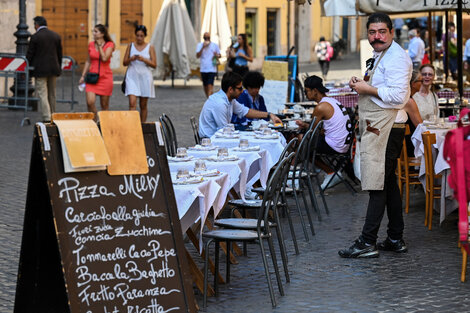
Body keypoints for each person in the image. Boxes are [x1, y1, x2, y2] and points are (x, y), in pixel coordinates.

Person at [340, 12, 413, 258]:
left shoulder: (397, 58)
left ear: (392, 32)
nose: (377, 36)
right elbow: (382, 87)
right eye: (372, 32)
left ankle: (367, 241)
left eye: (382, 31)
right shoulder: (381, 54)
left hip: (389, 128)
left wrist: (367, 88)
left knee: (376, 183)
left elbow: (399, 97)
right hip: (381, 126)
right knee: (388, 182)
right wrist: (362, 82)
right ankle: (395, 237)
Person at [295, 75, 352, 189]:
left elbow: (312, 132)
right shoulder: (331, 101)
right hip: (345, 144)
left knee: (303, 146)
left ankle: (330, 173)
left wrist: (305, 128)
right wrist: (306, 125)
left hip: (337, 145)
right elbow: (320, 129)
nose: (306, 95)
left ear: (315, 91)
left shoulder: (320, 107)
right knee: (306, 143)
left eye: (307, 92)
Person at [198, 72, 281, 138]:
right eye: (240, 88)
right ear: (230, 89)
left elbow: (245, 111)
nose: (242, 91)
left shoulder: (230, 100)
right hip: (211, 140)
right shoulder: (219, 103)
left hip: (221, 135)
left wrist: (270, 115)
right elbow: (225, 131)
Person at [26, 16, 62, 122]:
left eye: (34, 24)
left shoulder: (35, 37)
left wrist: (27, 69)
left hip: (40, 70)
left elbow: (30, 54)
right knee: (52, 93)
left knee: (43, 94)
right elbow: (60, 55)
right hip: (54, 69)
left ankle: (46, 117)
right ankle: (53, 114)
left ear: (37, 25)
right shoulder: (56, 36)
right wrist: (59, 68)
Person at [79, 24, 115, 121]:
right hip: (92, 77)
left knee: (104, 106)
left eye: (96, 31)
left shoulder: (109, 45)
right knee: (90, 102)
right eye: (93, 31)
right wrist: (83, 75)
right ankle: (95, 122)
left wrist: (99, 45)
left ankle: (104, 125)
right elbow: (88, 60)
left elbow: (104, 58)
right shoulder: (91, 44)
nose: (93, 33)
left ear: (102, 34)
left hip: (105, 77)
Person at [123, 25, 156, 122]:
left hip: (145, 77)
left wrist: (144, 59)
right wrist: (131, 59)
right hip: (132, 76)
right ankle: (132, 125)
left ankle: (142, 126)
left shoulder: (150, 47)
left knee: (143, 105)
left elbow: (154, 64)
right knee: (132, 103)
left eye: (141, 36)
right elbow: (124, 62)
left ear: (145, 36)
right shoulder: (130, 46)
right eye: (137, 35)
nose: (139, 38)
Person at [196, 32, 221, 98]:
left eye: (208, 37)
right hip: (203, 68)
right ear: (203, 38)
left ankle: (209, 99)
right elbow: (197, 56)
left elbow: (219, 55)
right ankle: (208, 98)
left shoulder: (214, 45)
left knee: (210, 85)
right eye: (205, 37)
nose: (207, 39)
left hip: (212, 68)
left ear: (210, 38)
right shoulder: (200, 45)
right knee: (205, 86)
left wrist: (216, 55)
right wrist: (203, 47)